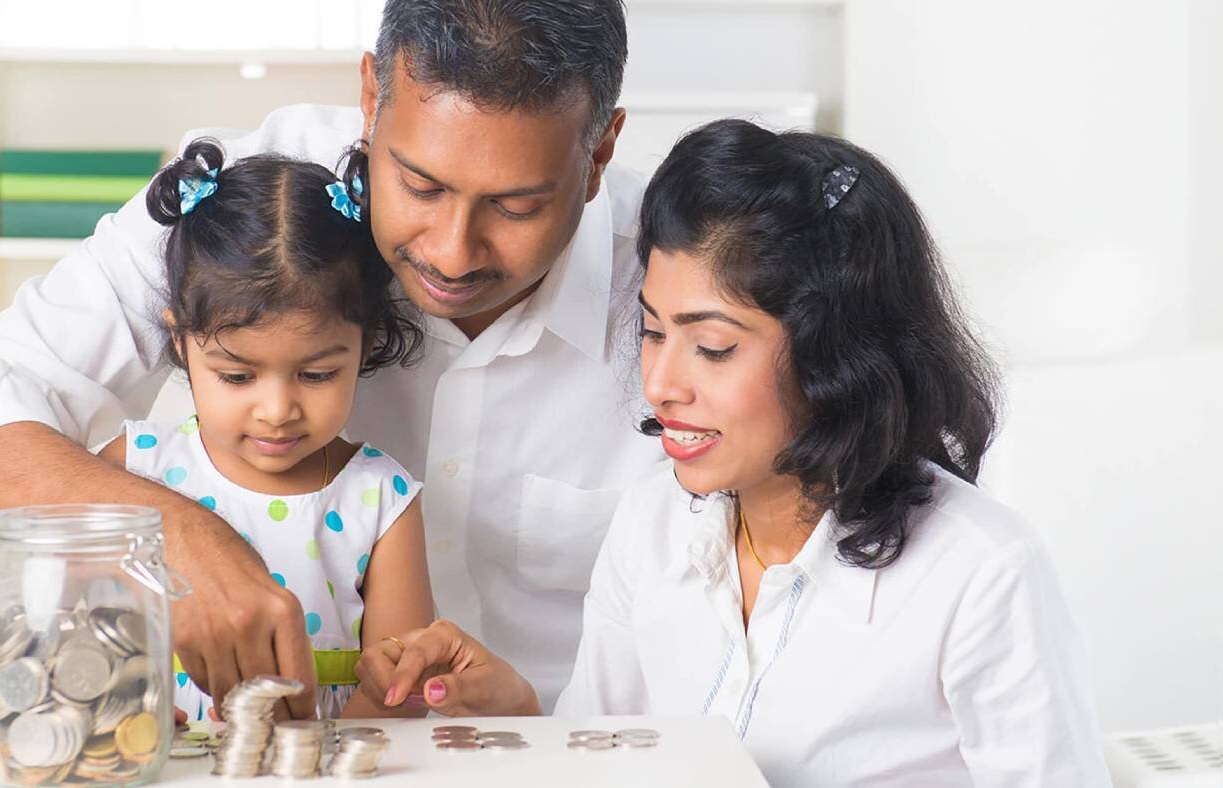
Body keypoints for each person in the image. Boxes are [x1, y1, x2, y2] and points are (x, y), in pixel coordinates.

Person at [0, 0, 661, 716]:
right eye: (418, 185)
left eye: (516, 205)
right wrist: (172, 538)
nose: (452, 253)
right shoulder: (258, 204)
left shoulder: (677, 281)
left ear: (598, 155)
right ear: (372, 100)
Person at [355, 120, 1113, 785]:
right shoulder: (649, 528)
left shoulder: (979, 575)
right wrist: (522, 715)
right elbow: (601, 769)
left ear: (836, 356)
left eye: (712, 347)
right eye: (652, 331)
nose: (660, 383)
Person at [92, 139, 433, 720]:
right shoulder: (136, 468)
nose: (277, 409)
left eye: (318, 373)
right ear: (180, 342)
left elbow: (402, 695)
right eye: (237, 375)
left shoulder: (381, 500)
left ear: (367, 343)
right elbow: (68, 627)